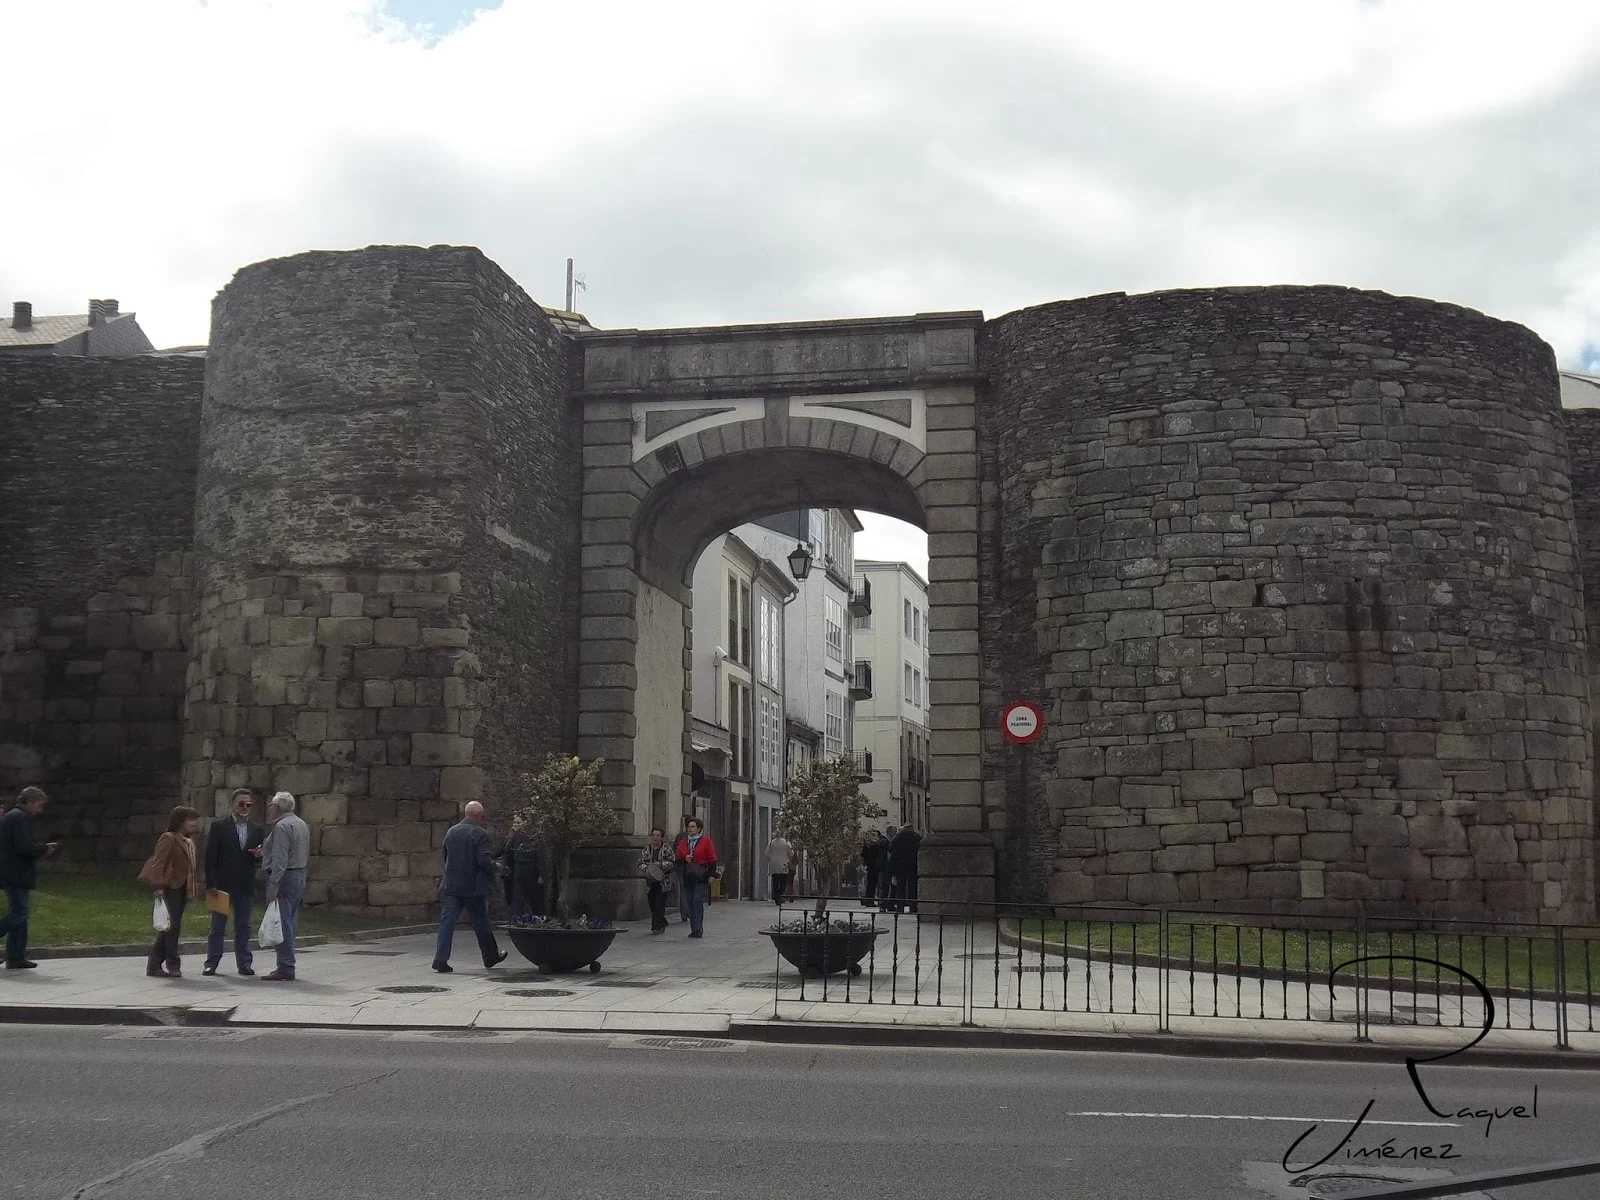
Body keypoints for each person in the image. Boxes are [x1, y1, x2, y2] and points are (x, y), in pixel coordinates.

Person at [433, 800, 509, 973]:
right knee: (481, 922)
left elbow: (446, 856)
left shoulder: (451, 832)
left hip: (452, 885)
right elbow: (483, 860)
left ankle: (440, 958)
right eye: (482, 816)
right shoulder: (479, 833)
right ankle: (490, 956)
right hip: (473, 886)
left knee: (447, 922)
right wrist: (496, 866)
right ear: (478, 815)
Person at [202, 788, 265, 977]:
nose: (245, 807)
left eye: (248, 805)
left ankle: (244, 963)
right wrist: (211, 883)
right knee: (217, 926)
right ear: (233, 804)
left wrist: (258, 857)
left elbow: (258, 859)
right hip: (222, 885)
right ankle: (211, 963)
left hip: (245, 884)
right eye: (241, 804)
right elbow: (210, 857)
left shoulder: (256, 829)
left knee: (243, 926)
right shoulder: (219, 827)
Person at [137, 806, 202, 978]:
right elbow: (159, 863)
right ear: (180, 821)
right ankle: (172, 964)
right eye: (190, 820)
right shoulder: (168, 838)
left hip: (182, 888)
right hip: (170, 887)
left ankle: (154, 964)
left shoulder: (188, 841)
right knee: (171, 927)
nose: (194, 824)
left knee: (170, 927)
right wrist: (157, 886)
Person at [0, 786, 58, 970]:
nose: (39, 810)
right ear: (30, 802)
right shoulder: (19, 818)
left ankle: (16, 956)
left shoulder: (14, 817)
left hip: (14, 873)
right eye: (39, 806)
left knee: (21, 917)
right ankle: (15, 955)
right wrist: (44, 848)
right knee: (19, 913)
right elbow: (23, 847)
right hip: (15, 874)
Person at [261, 791, 310, 982]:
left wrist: (274, 883)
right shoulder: (300, 824)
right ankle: (286, 963)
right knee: (290, 921)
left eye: (271, 806)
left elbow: (281, 858)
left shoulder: (281, 826)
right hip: (299, 874)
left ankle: (285, 966)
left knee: (282, 923)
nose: (269, 809)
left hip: (286, 876)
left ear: (278, 808)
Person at [673, 817, 717, 939]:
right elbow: (677, 858)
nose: (690, 829)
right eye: (688, 827)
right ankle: (693, 928)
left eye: (692, 827)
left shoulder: (706, 841)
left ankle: (698, 928)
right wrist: (684, 858)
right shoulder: (683, 842)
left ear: (698, 828)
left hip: (700, 874)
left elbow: (712, 859)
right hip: (687, 875)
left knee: (697, 900)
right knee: (689, 902)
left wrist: (711, 875)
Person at [500, 815, 543, 921]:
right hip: (517, 869)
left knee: (533, 897)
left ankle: (536, 919)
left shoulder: (530, 836)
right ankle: (516, 919)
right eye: (514, 822)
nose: (515, 825)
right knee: (517, 897)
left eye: (518, 823)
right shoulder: (512, 836)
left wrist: (541, 873)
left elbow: (537, 855)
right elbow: (505, 850)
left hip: (530, 868)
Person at [638, 826, 675, 933]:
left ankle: (657, 926)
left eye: (657, 835)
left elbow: (672, 862)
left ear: (662, 838)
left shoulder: (666, 848)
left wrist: (661, 865)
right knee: (652, 903)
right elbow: (640, 863)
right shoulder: (646, 850)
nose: (655, 837)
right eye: (653, 835)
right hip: (650, 882)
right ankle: (662, 920)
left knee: (660, 904)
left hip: (663, 881)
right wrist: (648, 868)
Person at [886, 823, 923, 914]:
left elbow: (891, 851)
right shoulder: (916, 837)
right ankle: (913, 907)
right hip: (912, 865)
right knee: (912, 887)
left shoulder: (897, 838)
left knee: (900, 887)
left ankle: (900, 907)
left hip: (899, 866)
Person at [766, 831, 794, 905]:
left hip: (774, 864)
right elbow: (791, 853)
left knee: (775, 882)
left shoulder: (771, 843)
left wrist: (770, 859)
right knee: (783, 882)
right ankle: (780, 895)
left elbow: (766, 853)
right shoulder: (786, 843)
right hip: (784, 864)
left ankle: (776, 897)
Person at [861, 829, 886, 908]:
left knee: (870, 884)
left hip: (871, 866)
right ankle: (869, 900)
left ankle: (868, 899)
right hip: (873, 866)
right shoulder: (874, 845)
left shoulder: (868, 845)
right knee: (872, 884)